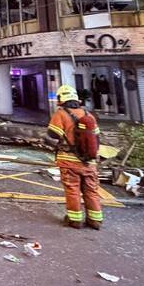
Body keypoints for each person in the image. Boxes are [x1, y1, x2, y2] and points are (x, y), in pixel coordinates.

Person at [45, 85, 103, 230]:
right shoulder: (88, 115)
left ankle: (75, 220)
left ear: (60, 99)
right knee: (91, 190)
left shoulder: (61, 114)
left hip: (69, 161)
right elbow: (96, 138)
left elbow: (52, 135)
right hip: (89, 162)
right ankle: (95, 220)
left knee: (73, 190)